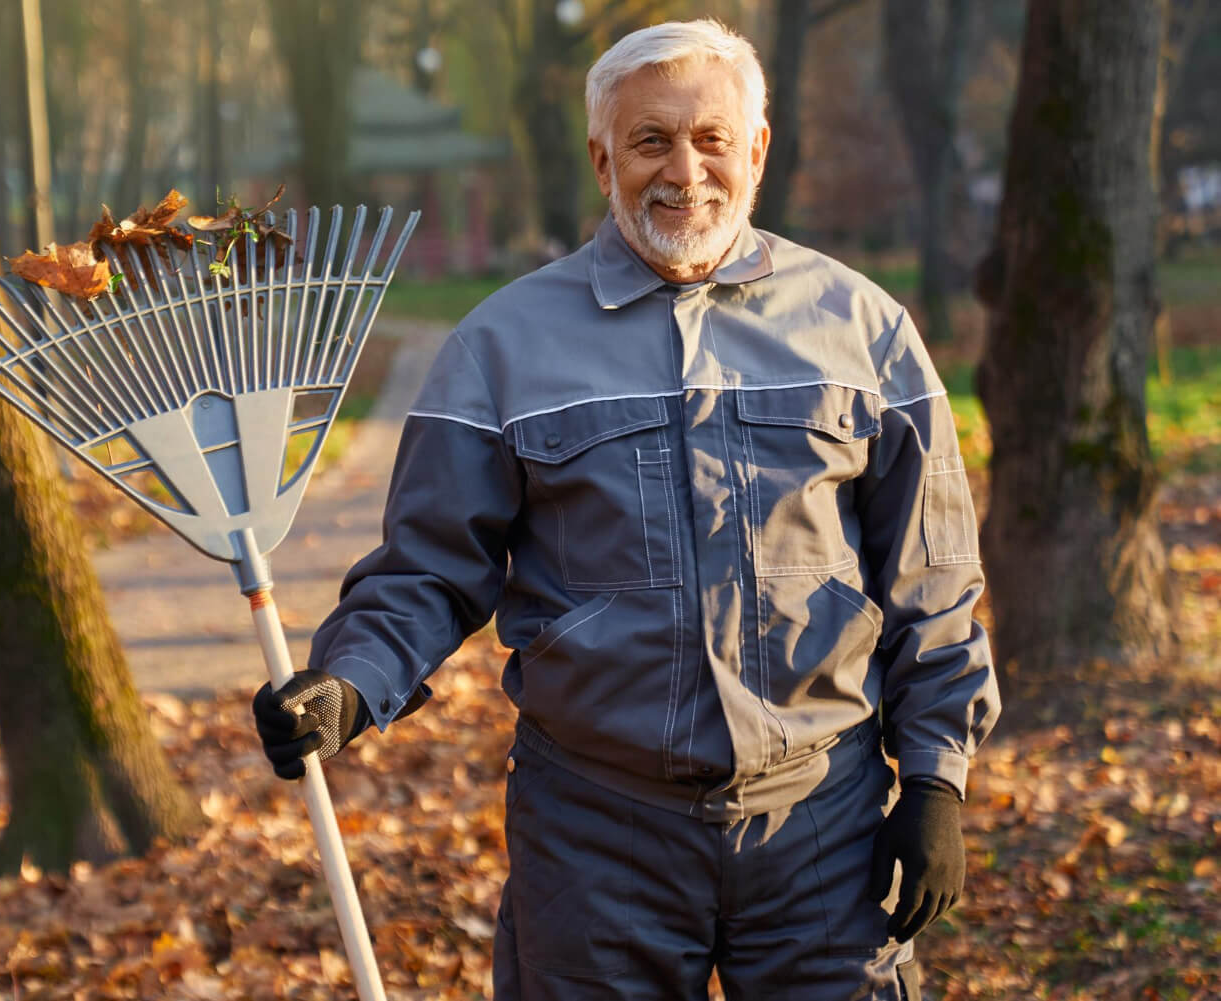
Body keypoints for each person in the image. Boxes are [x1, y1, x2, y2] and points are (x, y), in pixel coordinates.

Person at [253, 18, 999, 1000]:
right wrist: (350, 683)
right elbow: (429, 568)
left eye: (711, 138)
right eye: (652, 140)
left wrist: (936, 779)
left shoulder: (866, 332)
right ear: (604, 159)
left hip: (824, 821)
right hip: (595, 834)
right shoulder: (499, 348)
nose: (685, 171)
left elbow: (932, 579)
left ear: (756, 150)